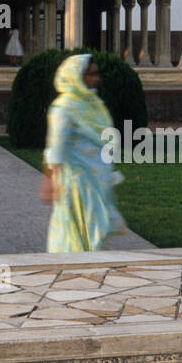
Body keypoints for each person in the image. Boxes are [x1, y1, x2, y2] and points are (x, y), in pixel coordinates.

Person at [39, 54, 126, 252]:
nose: (96, 79)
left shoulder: (90, 103)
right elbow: (56, 147)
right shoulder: (64, 107)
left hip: (96, 176)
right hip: (78, 181)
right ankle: (77, 269)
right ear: (77, 76)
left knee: (93, 226)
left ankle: (86, 266)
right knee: (80, 229)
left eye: (96, 74)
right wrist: (48, 181)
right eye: (91, 74)